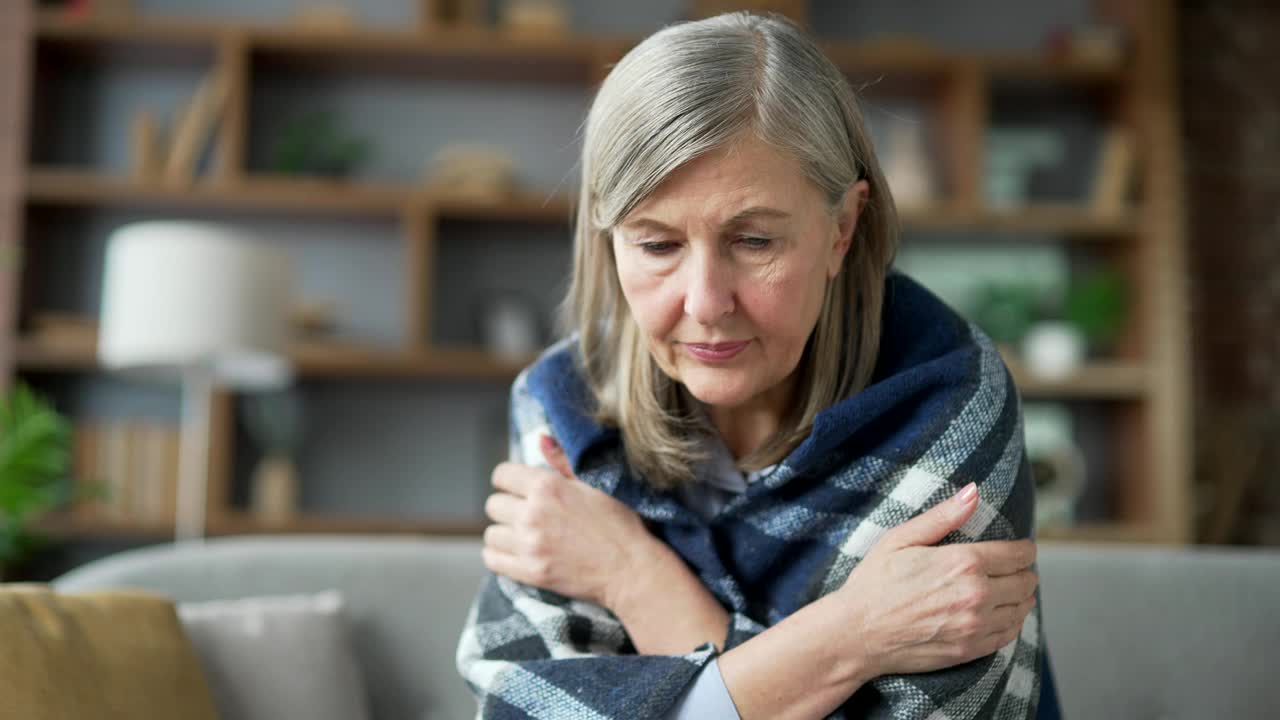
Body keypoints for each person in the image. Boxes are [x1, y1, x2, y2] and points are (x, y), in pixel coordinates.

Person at [456, 11, 1054, 719]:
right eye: (656, 245)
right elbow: (521, 708)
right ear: (607, 232)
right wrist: (852, 637)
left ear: (841, 228)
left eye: (755, 240)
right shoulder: (565, 404)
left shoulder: (949, 402)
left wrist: (634, 580)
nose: (706, 304)